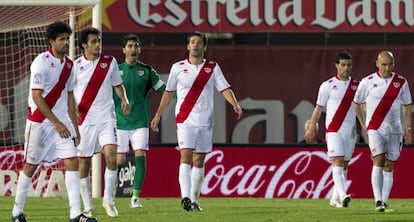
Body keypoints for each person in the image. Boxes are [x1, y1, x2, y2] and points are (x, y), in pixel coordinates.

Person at [11, 21, 97, 222]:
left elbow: (69, 97)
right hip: (40, 123)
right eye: (62, 39)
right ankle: (17, 212)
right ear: (52, 41)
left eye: (68, 39)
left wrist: (75, 128)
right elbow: (37, 97)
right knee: (30, 166)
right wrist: (56, 122)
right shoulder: (40, 62)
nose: (66, 42)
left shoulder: (69, 65)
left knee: (72, 161)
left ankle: (75, 214)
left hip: (62, 124)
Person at [150, 32, 243, 211]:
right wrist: (158, 115)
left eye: (199, 43)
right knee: (185, 157)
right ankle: (185, 197)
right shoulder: (177, 68)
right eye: (192, 42)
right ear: (187, 46)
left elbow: (224, 88)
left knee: (199, 161)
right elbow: (168, 93)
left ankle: (194, 200)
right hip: (185, 120)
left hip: (205, 121)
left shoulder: (213, 68)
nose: (195, 45)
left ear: (204, 47)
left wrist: (235, 104)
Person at [73, 27, 130, 218]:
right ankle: (88, 207)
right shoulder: (75, 66)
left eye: (99, 41)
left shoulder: (110, 62)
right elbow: (69, 93)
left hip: (107, 118)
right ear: (84, 45)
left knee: (112, 157)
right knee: (84, 163)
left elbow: (117, 85)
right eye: (93, 41)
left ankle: (108, 200)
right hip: (85, 120)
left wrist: (124, 99)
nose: (98, 45)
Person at [354, 50, 412, 213]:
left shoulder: (401, 82)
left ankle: (385, 202)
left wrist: (408, 128)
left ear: (394, 64)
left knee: (389, 165)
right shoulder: (367, 82)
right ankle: (378, 200)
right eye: (384, 64)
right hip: (375, 128)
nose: (387, 68)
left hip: (395, 129)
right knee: (378, 160)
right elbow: (356, 103)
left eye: (390, 64)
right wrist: (363, 124)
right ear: (377, 63)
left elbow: (407, 105)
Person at [114, 34, 166, 208]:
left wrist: (182, 94)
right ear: (124, 50)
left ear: (139, 49)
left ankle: (135, 198)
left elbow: (164, 89)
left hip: (140, 123)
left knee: (140, 156)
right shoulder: (115, 71)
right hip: (119, 123)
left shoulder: (147, 71)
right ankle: (110, 194)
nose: (133, 49)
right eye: (129, 46)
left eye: (136, 46)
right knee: (119, 161)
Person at [304, 51, 359, 208]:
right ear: (336, 66)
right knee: (337, 161)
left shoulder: (357, 85)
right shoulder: (327, 85)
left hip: (349, 131)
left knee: (345, 164)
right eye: (343, 65)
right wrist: (311, 128)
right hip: (334, 130)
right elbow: (318, 108)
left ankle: (334, 199)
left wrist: (364, 125)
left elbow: (361, 107)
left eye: (348, 65)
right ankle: (343, 195)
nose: (346, 68)